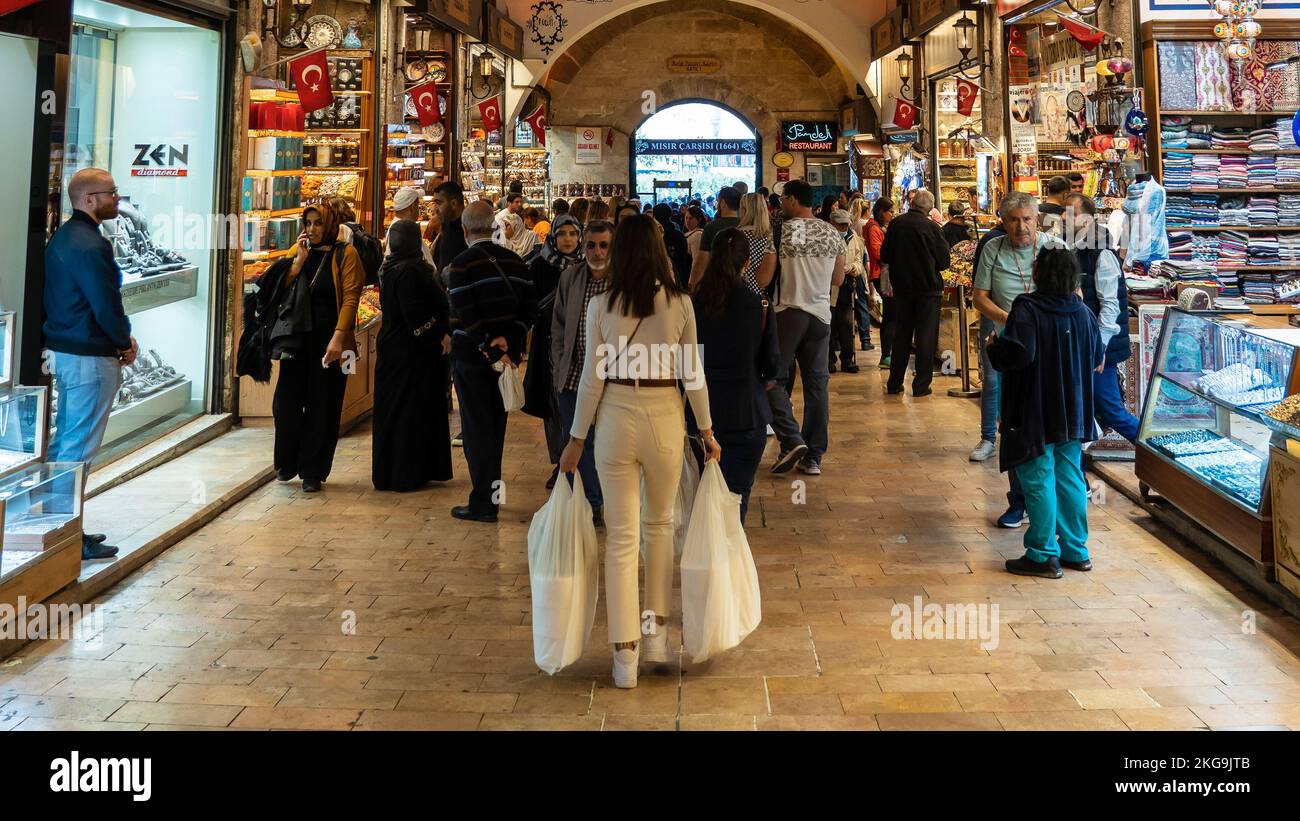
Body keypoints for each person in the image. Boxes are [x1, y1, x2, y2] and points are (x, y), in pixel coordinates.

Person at [557, 214, 719, 689]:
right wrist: (706, 430)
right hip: (665, 415)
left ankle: (623, 656)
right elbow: (693, 375)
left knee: (622, 537)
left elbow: (591, 378)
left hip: (614, 419)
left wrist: (575, 438)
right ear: (660, 250)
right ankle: (655, 638)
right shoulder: (681, 303)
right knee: (660, 528)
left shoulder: (602, 304)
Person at [987, 248, 1103, 579]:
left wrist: (994, 346)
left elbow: (1019, 354)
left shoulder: (1028, 308)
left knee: (1038, 477)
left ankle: (1042, 554)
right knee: (1069, 476)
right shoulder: (1082, 312)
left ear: (1040, 273)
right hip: (1073, 412)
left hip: (1035, 411)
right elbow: (1097, 357)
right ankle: (1076, 550)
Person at [44, 167, 136, 560]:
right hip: (88, 357)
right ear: (88, 199)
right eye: (110, 193)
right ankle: (63, 537)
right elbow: (105, 303)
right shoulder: (90, 244)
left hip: (69, 352)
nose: (116, 199)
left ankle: (63, 528)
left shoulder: (67, 238)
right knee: (76, 450)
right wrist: (123, 341)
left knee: (68, 444)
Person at [973, 191, 1062, 527]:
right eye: (1014, 219)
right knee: (1014, 425)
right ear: (1003, 221)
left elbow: (1075, 296)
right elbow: (979, 297)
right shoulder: (993, 249)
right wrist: (1011, 320)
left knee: (1050, 425)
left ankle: (1048, 501)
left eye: (1027, 218)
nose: (1021, 226)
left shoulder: (1055, 249)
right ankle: (1018, 501)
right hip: (1012, 348)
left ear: (1037, 218)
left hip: (1050, 350)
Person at [446, 201, 538, 522]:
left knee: (475, 430)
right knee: (496, 430)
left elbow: (466, 314)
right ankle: (492, 496)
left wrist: (488, 344)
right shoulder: (515, 262)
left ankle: (483, 502)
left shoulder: (460, 265)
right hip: (506, 361)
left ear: (464, 229)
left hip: (472, 361)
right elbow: (530, 309)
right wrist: (508, 341)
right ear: (494, 225)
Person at [273, 201, 365, 492]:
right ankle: (287, 462)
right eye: (308, 223)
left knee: (322, 406)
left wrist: (339, 337)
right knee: (285, 404)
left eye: (317, 224)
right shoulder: (298, 250)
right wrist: (298, 262)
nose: (311, 230)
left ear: (330, 224)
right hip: (297, 341)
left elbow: (351, 297)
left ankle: (312, 471)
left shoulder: (345, 254)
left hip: (329, 342)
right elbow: (279, 286)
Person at [691, 228, 780, 523]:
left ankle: (706, 559)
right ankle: (730, 557)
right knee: (737, 495)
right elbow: (772, 366)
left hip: (702, 414)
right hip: (746, 412)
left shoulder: (692, 304)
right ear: (747, 263)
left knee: (704, 494)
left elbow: (686, 365)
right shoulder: (760, 305)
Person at [766, 179, 845, 476]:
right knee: (816, 387)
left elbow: (771, 272)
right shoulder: (832, 232)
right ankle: (813, 456)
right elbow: (838, 280)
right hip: (821, 316)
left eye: (784, 198)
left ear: (794, 200)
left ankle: (791, 438)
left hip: (789, 312)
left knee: (770, 377)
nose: (782, 203)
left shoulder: (784, 230)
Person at [372, 219, 452, 491]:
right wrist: (437, 334)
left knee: (395, 411)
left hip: (394, 351)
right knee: (410, 413)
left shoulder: (390, 267)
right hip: (412, 354)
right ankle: (407, 473)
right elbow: (414, 314)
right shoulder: (410, 271)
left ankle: (391, 472)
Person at [550, 219, 614, 521]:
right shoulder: (571, 278)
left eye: (604, 245)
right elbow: (559, 324)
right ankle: (589, 501)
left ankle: (606, 498)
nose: (597, 252)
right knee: (578, 440)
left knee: (607, 442)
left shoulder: (622, 281)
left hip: (613, 380)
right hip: (574, 377)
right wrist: (560, 361)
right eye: (591, 245)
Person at [1065, 192, 1139, 444]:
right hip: (1085, 344)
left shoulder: (1101, 254)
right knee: (1087, 406)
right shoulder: (1075, 249)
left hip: (1099, 348)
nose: (1064, 217)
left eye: (1071, 213)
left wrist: (1099, 347)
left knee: (1111, 410)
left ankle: (1155, 450)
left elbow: (1110, 307)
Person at [526, 215, 584, 489]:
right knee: (553, 405)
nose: (569, 239)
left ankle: (576, 459)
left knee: (575, 403)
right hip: (548, 344)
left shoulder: (588, 266)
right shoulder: (540, 265)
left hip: (581, 347)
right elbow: (530, 305)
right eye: (563, 234)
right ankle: (558, 460)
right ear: (554, 237)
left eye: (573, 234)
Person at [879, 188, 951, 397]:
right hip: (928, 290)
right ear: (929, 207)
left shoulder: (896, 224)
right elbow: (944, 261)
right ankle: (921, 386)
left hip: (902, 289)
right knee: (926, 337)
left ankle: (894, 383)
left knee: (902, 335)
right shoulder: (932, 227)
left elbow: (885, 255)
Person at [827, 209, 863, 374]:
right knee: (829, 325)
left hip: (847, 286)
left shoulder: (854, 237)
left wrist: (852, 268)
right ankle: (829, 360)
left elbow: (859, 259)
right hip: (828, 287)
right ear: (832, 223)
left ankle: (847, 360)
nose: (843, 228)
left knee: (847, 325)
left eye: (845, 225)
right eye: (840, 225)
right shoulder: (825, 237)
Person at [688, 185, 741, 285]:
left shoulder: (711, 227)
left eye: (718, 201)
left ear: (723, 203)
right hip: (740, 282)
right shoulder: (745, 225)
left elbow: (701, 263)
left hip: (717, 283)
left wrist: (692, 286)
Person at [865, 197, 892, 363]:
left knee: (890, 313)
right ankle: (886, 354)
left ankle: (888, 353)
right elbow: (878, 253)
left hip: (881, 273)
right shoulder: (874, 228)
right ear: (881, 211)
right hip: (880, 273)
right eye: (890, 212)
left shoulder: (877, 227)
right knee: (890, 314)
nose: (892, 215)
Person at [736, 192, 776, 295]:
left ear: (744, 210)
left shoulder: (736, 236)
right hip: (763, 295)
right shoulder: (771, 237)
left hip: (740, 293)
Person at [651, 202, 691, 288]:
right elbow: (683, 258)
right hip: (679, 277)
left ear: (654, 216)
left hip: (657, 279)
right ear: (670, 215)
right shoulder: (679, 234)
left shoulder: (653, 235)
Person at [432, 180, 467, 275]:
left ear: (454, 204)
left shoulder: (469, 229)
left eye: (439, 203)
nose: (434, 209)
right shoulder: (446, 223)